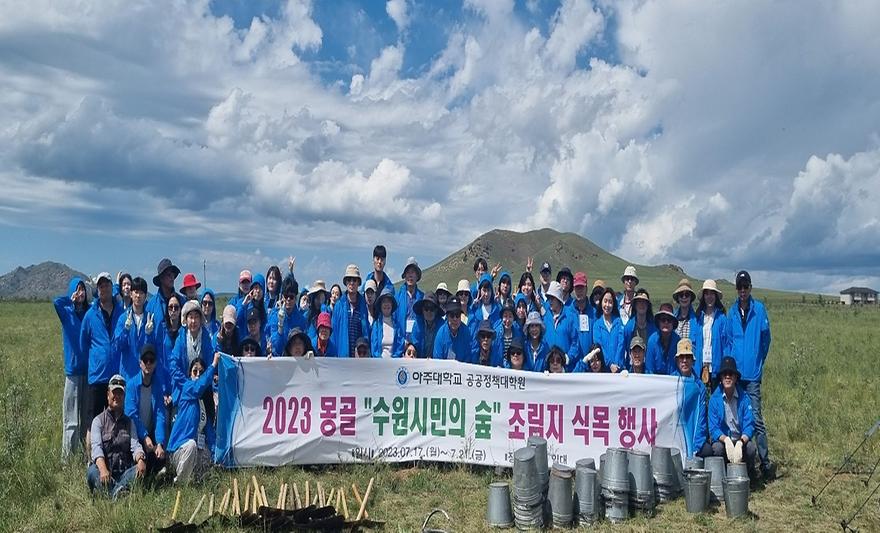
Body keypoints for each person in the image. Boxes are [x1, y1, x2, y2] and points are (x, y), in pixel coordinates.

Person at [726, 270, 775, 480]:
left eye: (746, 286)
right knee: (735, 419)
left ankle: (765, 463)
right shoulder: (731, 312)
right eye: (740, 287)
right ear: (737, 289)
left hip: (753, 375)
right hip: (737, 375)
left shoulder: (760, 310)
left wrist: (757, 360)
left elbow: (766, 340)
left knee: (756, 418)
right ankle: (741, 461)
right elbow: (729, 341)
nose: (743, 290)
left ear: (750, 288)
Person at [87, 374, 146, 499]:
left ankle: (113, 493)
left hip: (124, 473)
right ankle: (119, 493)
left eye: (120, 393)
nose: (117, 397)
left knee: (139, 469)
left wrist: (140, 459)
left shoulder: (130, 423)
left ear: (124, 396)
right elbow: (96, 449)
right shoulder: (98, 421)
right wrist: (103, 469)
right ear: (108, 394)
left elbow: (135, 446)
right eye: (114, 393)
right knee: (92, 471)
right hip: (105, 472)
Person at [167, 352, 222, 484]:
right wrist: (213, 364)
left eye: (201, 372)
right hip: (179, 450)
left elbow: (210, 434)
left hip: (196, 449)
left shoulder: (204, 403)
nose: (198, 375)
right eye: (195, 371)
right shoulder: (187, 388)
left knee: (207, 454)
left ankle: (196, 481)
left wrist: (217, 458)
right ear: (190, 374)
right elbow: (198, 388)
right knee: (191, 445)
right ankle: (180, 483)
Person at [55, 276, 89, 460]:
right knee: (71, 419)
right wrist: (70, 298)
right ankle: (67, 457)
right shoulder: (66, 312)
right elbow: (56, 302)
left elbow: (107, 297)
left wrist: (116, 283)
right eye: (77, 289)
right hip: (73, 373)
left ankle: (85, 455)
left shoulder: (89, 312)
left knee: (85, 418)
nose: (81, 292)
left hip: (88, 372)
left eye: (83, 289)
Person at [81, 272, 124, 419]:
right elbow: (83, 343)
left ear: (112, 287)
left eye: (107, 285)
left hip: (116, 374)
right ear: (97, 290)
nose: (104, 289)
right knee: (93, 421)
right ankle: (90, 444)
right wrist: (97, 358)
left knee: (115, 419)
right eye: (101, 286)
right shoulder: (90, 315)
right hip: (97, 376)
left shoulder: (121, 312)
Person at [709, 356, 758, 479]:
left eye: (731, 374)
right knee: (717, 449)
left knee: (751, 448)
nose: (727, 377)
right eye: (724, 374)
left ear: (736, 378)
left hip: (740, 439)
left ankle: (747, 475)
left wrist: (741, 442)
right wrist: (726, 440)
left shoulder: (744, 398)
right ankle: (722, 476)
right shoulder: (714, 399)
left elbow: (750, 424)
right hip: (724, 440)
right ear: (720, 378)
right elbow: (713, 428)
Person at [169, 300, 216, 429]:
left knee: (206, 426)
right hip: (184, 389)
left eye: (196, 317)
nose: (193, 321)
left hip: (203, 389)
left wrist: (201, 384)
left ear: (201, 319)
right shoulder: (180, 338)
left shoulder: (206, 338)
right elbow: (173, 365)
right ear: (185, 319)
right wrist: (188, 385)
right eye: (190, 317)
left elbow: (210, 363)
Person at [124, 345, 168, 476]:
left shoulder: (157, 385)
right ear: (140, 363)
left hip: (151, 434)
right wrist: (144, 436)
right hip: (134, 434)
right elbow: (132, 415)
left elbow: (160, 415)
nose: (148, 363)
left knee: (161, 456)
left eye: (151, 360)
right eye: (145, 360)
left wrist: (159, 442)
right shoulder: (131, 385)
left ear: (155, 363)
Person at [672, 339, 713, 458]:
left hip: (693, 438)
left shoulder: (700, 387)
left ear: (693, 361)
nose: (684, 361)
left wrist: (696, 447)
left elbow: (701, 421)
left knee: (708, 450)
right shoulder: (670, 382)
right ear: (677, 360)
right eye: (681, 357)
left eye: (688, 357)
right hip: (674, 437)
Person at [115, 276, 151, 383]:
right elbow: (118, 346)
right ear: (131, 294)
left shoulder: (150, 319)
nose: (138, 296)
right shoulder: (123, 318)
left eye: (141, 293)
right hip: (127, 375)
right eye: (135, 292)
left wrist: (149, 334)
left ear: (145, 296)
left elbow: (153, 348)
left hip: (145, 376)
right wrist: (126, 330)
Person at [332, 265, 370, 357]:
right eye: (349, 280)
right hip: (342, 356)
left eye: (354, 280)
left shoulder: (363, 305)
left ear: (358, 283)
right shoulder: (339, 305)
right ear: (345, 282)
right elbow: (334, 333)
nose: (351, 283)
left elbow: (365, 331)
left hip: (360, 356)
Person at [695, 280, 728, 388]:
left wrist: (725, 365)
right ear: (704, 296)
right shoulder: (698, 317)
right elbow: (694, 342)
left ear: (716, 296)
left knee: (715, 397)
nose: (709, 296)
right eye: (707, 293)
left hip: (716, 366)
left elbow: (726, 344)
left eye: (712, 293)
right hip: (700, 365)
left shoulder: (722, 318)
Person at [542, 281, 578, 370]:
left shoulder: (570, 317)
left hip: (565, 368)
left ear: (559, 299)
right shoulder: (545, 317)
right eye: (549, 298)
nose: (550, 301)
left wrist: (569, 357)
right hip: (548, 367)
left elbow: (575, 342)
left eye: (553, 298)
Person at [268, 274, 307, 356]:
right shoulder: (274, 316)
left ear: (296, 298)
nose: (288, 299)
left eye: (291, 297)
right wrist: (280, 327)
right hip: (279, 361)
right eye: (286, 296)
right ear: (282, 297)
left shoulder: (302, 319)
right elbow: (276, 348)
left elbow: (304, 345)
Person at [592, 287, 625, 372]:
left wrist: (616, 364)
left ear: (614, 304)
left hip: (618, 368)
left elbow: (621, 344)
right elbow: (599, 347)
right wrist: (610, 364)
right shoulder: (597, 325)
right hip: (604, 369)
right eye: (605, 301)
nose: (607, 305)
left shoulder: (619, 322)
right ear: (601, 302)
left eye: (610, 302)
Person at [146, 258, 182, 331]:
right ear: (161, 278)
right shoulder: (151, 305)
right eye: (169, 275)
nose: (172, 278)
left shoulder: (181, 301)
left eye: (173, 275)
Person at [433, 297, 473, 361]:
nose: (455, 319)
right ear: (447, 316)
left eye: (457, 315)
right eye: (452, 315)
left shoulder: (466, 332)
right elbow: (437, 361)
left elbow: (468, 358)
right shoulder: (440, 335)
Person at [646, 303, 681, 375]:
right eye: (663, 320)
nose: (666, 323)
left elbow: (679, 368)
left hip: (673, 381)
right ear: (658, 322)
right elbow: (649, 369)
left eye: (669, 320)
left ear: (673, 323)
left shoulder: (678, 341)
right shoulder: (652, 341)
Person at [623, 289, 656, 363]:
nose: (642, 304)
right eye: (639, 302)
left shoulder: (654, 329)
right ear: (635, 305)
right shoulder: (628, 328)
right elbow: (624, 350)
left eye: (644, 302)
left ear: (648, 306)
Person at [396, 257, 424, 339]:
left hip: (417, 342)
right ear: (405, 276)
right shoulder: (397, 298)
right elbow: (394, 321)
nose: (410, 275)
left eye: (413, 272)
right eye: (408, 272)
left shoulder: (422, 298)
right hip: (401, 342)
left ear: (417, 276)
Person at [372, 287, 404, 358]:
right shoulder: (376, 325)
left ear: (392, 305)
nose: (386, 304)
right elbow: (374, 347)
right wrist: (379, 360)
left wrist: (394, 359)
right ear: (380, 305)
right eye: (384, 302)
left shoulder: (397, 325)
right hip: (379, 364)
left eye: (389, 301)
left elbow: (400, 345)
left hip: (394, 364)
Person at [570, 272, 594, 367]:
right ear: (573, 289)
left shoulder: (594, 313)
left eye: (581, 288)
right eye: (577, 288)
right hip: (571, 367)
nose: (579, 291)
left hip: (590, 366)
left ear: (587, 289)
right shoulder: (567, 313)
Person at [235, 273, 267, 344]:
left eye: (260, 288)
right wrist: (244, 305)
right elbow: (237, 321)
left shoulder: (265, 307)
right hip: (246, 345)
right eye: (255, 288)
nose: (257, 291)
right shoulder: (243, 302)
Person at [412, 292, 443, 358]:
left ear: (436, 310)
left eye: (432, 309)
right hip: (420, 362)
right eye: (426, 309)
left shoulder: (442, 326)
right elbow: (415, 345)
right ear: (422, 310)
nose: (429, 312)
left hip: (437, 363)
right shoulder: (417, 324)